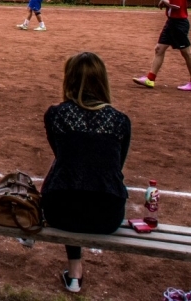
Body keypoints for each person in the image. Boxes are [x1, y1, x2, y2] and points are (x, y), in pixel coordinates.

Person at [41, 52, 131, 293]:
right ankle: (75, 273)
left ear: (68, 80)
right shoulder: (120, 121)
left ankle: (75, 272)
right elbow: (116, 166)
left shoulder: (56, 115)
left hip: (60, 211)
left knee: (66, 180)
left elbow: (62, 156)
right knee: (80, 181)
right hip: (108, 214)